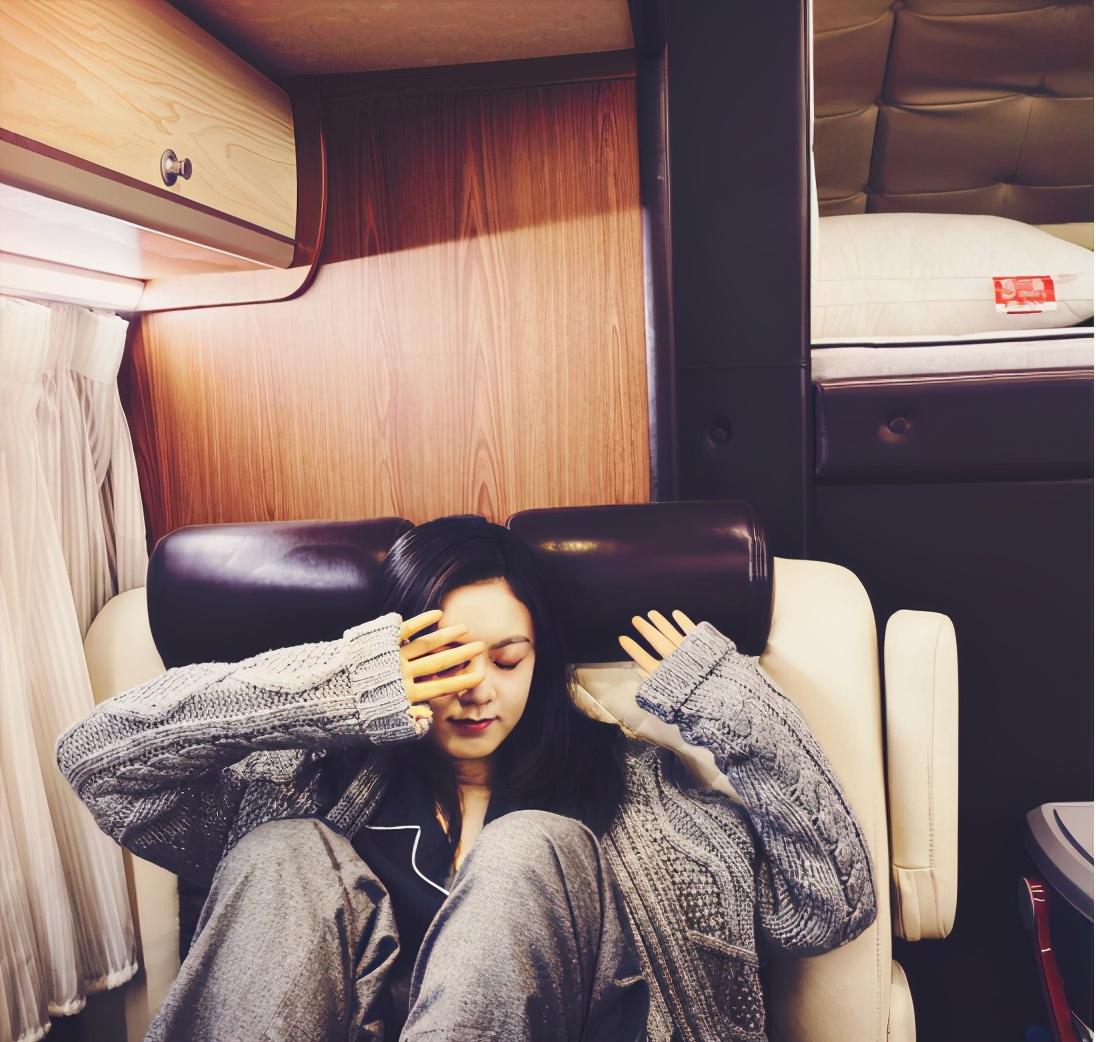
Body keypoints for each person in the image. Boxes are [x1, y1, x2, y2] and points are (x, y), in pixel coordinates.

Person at [56, 515, 877, 1042]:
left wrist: (736, 709)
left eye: (506, 659)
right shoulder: (307, 784)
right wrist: (336, 686)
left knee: (529, 848)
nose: (477, 690)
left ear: (540, 661)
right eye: (446, 662)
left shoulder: (640, 797)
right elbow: (100, 762)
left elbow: (827, 907)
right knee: (281, 852)